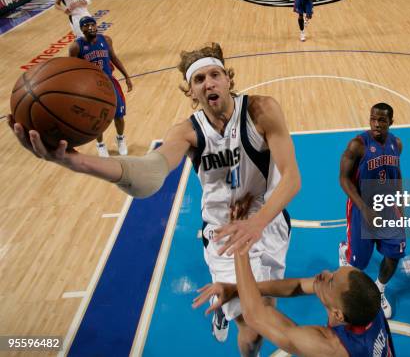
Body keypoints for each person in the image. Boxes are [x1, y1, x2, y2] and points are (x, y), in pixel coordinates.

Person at [9, 42, 300, 357]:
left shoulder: (262, 110)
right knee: (252, 325)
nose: (209, 83)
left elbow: (291, 178)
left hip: (266, 223)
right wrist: (77, 162)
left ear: (228, 79)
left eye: (215, 74)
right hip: (224, 233)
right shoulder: (187, 133)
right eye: (199, 80)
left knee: (266, 310)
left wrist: (257, 223)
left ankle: (229, 305)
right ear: (191, 92)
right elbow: (149, 174)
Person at [192, 242, 395, 356]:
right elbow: (300, 285)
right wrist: (236, 290)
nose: (325, 273)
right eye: (334, 271)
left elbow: (255, 316)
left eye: (331, 280)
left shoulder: (330, 347)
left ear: (337, 314)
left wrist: (240, 245)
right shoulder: (367, 305)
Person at [338, 103, 405, 319]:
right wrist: (364, 209)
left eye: (382, 120)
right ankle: (346, 250)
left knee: (395, 253)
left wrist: (400, 202)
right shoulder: (358, 145)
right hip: (362, 208)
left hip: (387, 208)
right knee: (358, 265)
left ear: (391, 122)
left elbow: (397, 174)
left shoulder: (397, 144)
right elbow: (344, 179)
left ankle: (379, 290)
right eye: (373, 119)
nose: (376, 124)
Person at [68, 16, 133, 157]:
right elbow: (72, 70)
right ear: (81, 28)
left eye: (92, 24)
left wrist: (127, 76)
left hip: (109, 83)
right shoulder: (76, 47)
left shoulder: (106, 40)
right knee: (97, 119)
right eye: (86, 25)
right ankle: (100, 144)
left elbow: (114, 58)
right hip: (92, 88)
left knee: (119, 115)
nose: (90, 27)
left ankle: (121, 139)